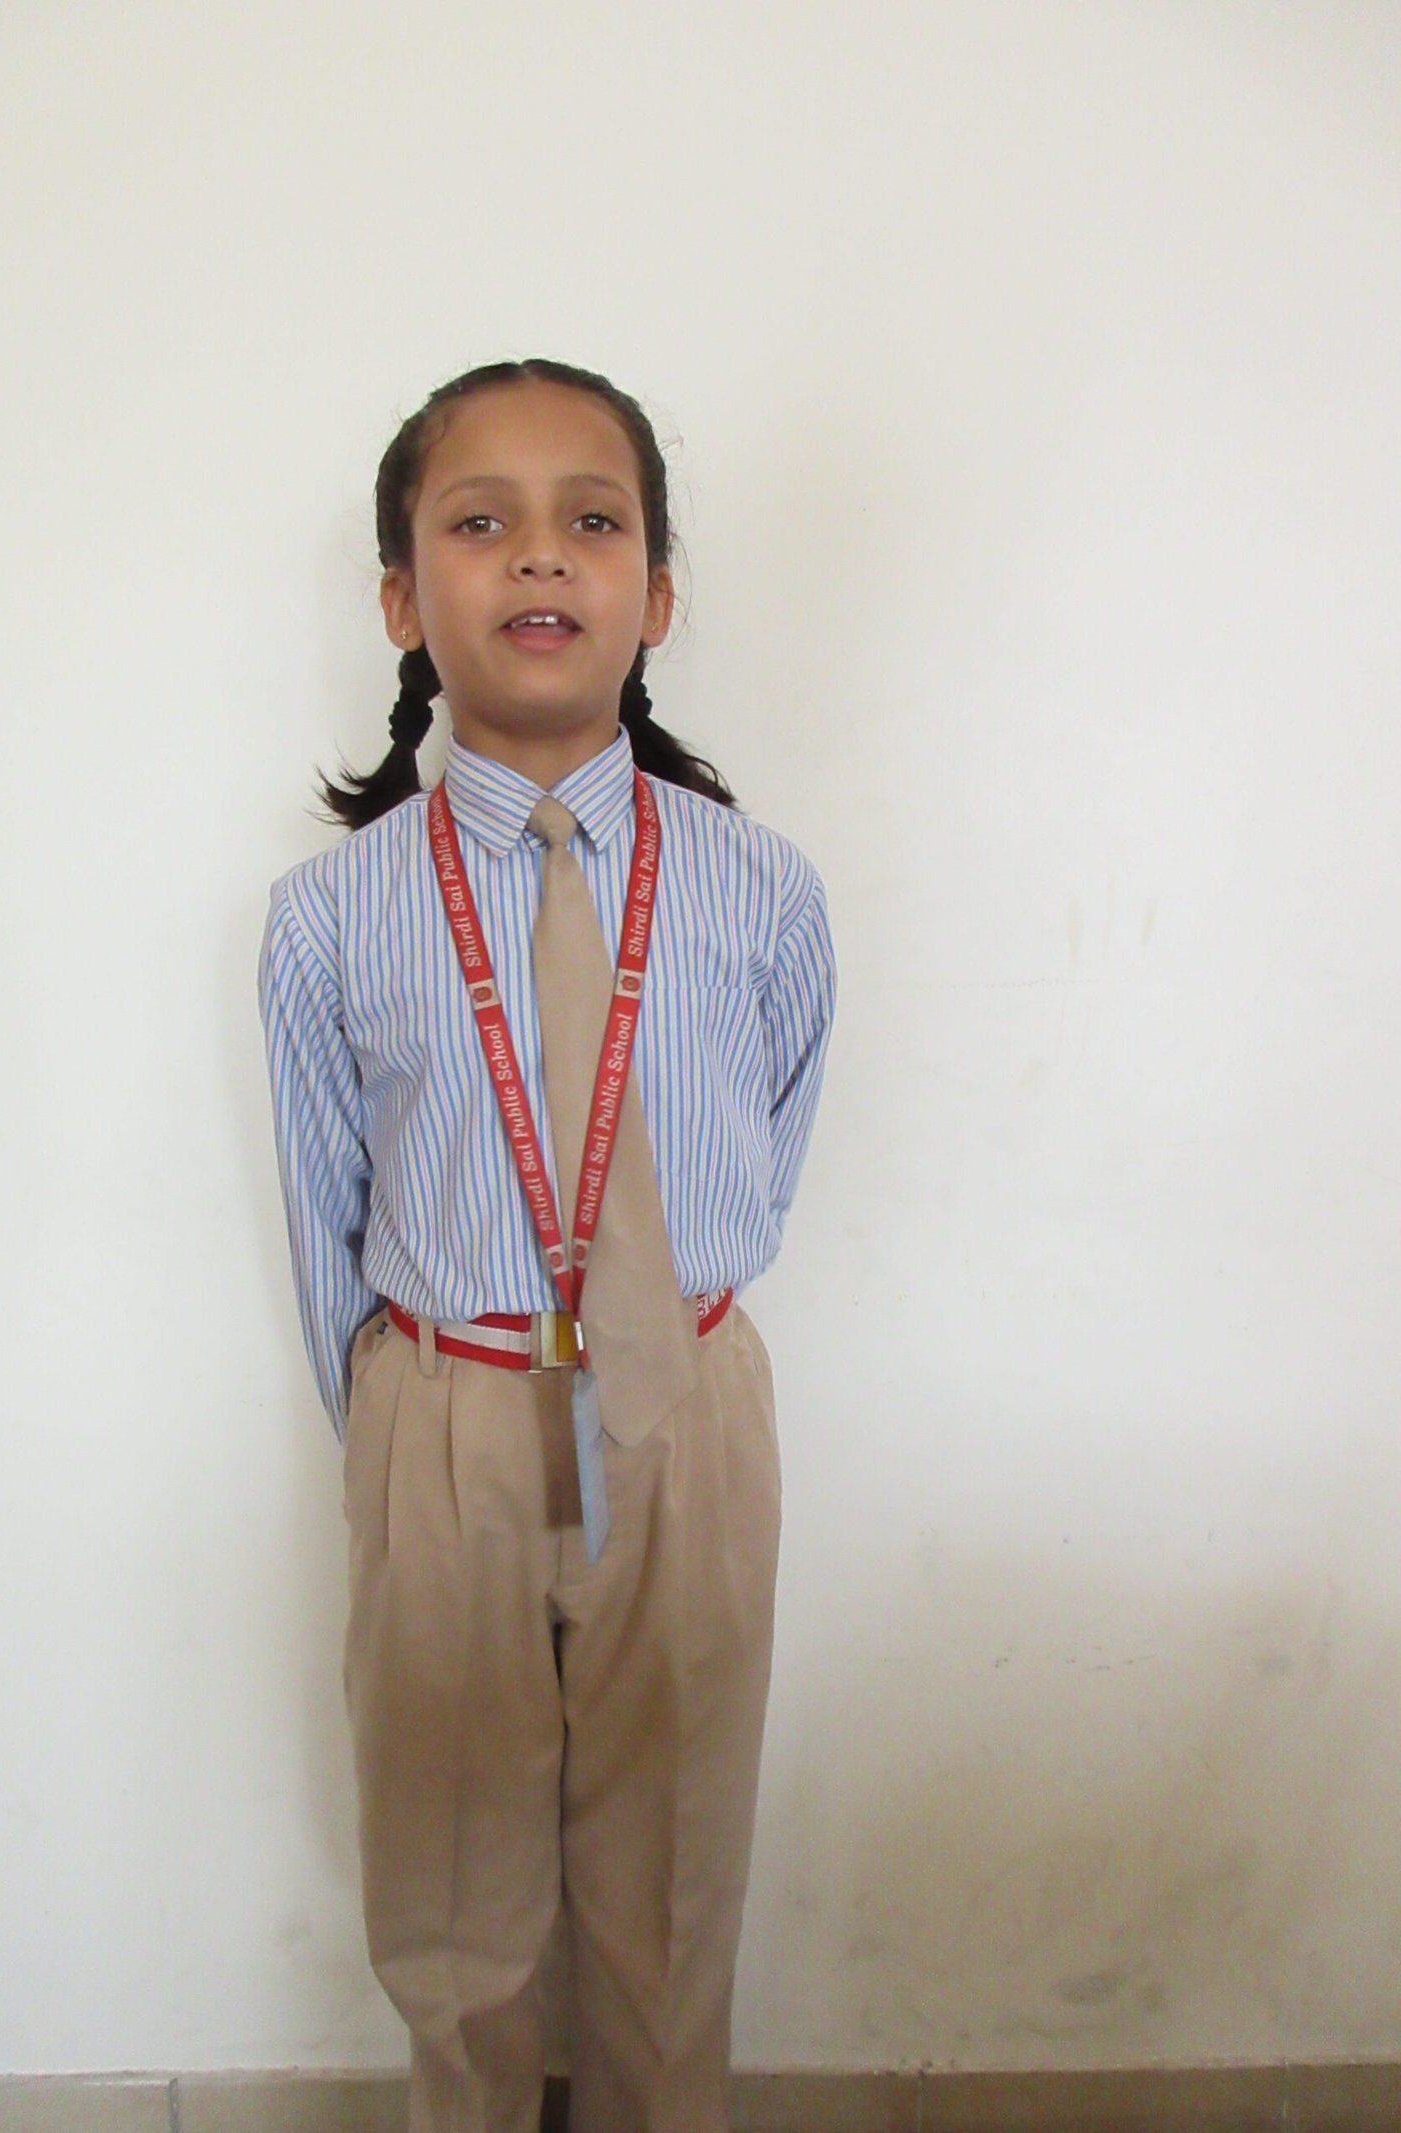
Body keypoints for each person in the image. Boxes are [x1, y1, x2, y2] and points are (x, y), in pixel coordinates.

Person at [257, 356, 836, 2133]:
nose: (539, 557)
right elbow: (325, 1209)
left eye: (592, 520)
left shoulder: (759, 885)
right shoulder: (332, 913)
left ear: (655, 596)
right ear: (400, 599)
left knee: (674, 1890)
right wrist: (403, 1437)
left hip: (689, 1408)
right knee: (453, 1901)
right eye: (478, 521)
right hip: (446, 1415)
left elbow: (773, 1133)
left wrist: (671, 1334)